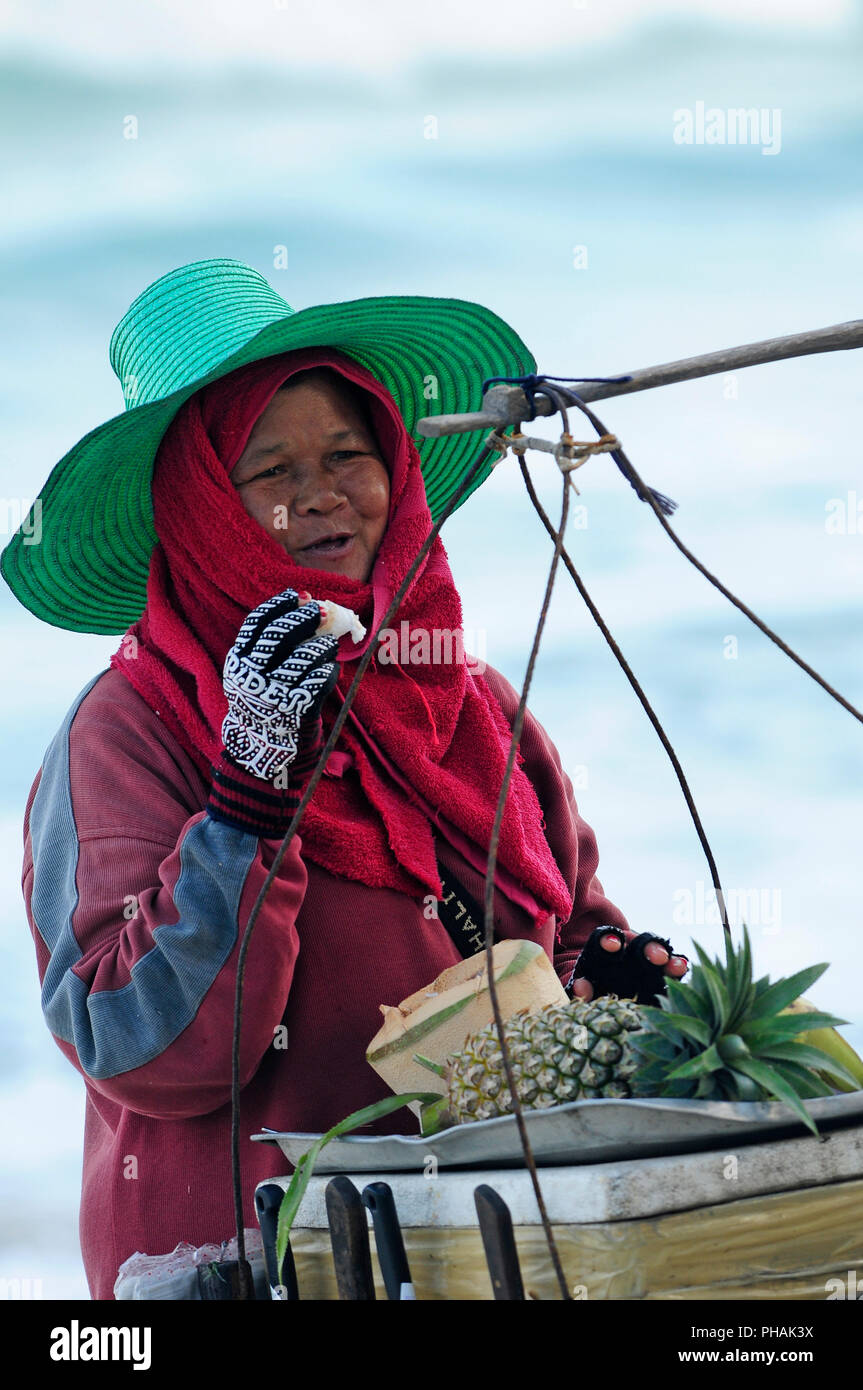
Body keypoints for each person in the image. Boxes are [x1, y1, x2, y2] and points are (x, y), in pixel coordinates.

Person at [4, 259, 687, 1300]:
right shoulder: (125, 733)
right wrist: (248, 791)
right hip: (246, 1269)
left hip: (489, 1255)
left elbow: (556, 938)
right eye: (267, 472)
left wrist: (612, 975)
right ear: (200, 511)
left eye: (346, 454)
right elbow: (137, 1047)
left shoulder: (470, 703)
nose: (320, 495)